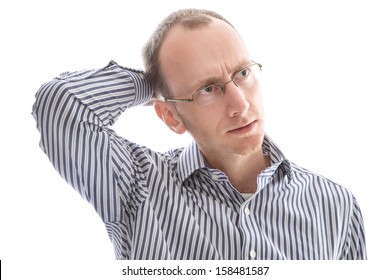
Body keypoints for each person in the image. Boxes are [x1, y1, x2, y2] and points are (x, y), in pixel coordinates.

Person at [32, 8, 366, 260]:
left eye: (243, 73)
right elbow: (59, 105)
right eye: (208, 88)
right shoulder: (138, 185)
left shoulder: (336, 205)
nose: (240, 104)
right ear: (170, 117)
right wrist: (155, 85)